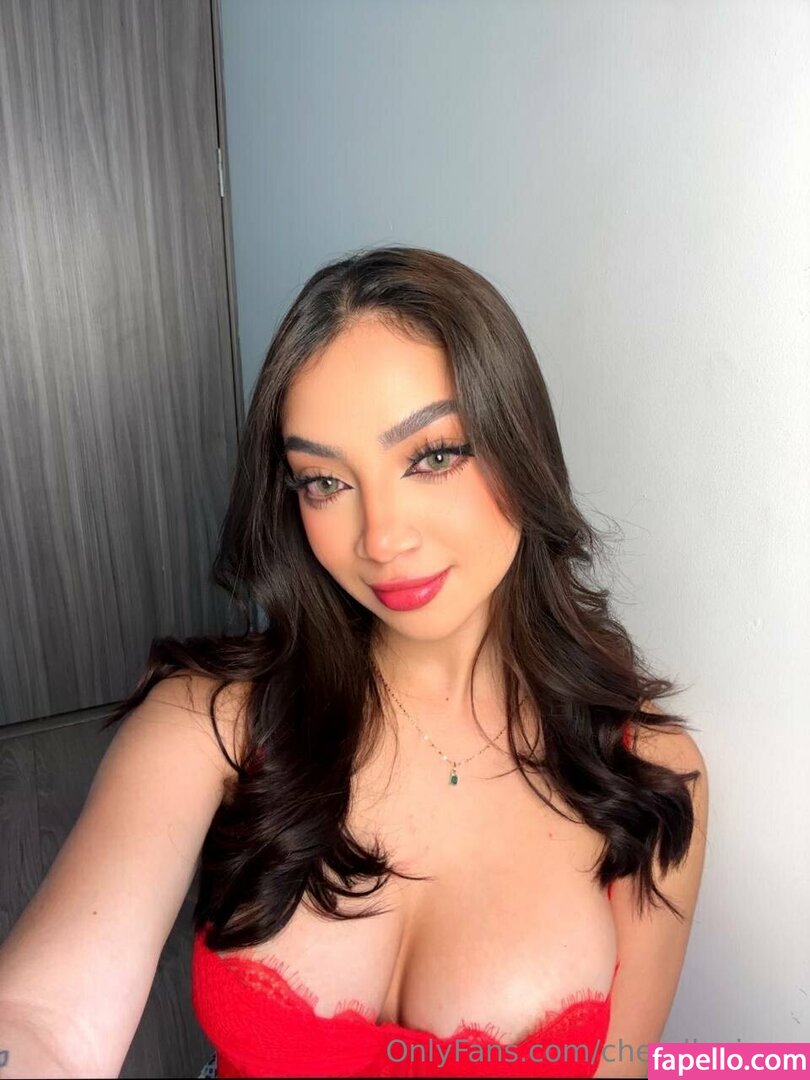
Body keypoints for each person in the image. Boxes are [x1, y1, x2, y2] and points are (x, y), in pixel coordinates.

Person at [0, 246, 708, 1079]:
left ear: (522, 446)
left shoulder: (649, 775)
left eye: (433, 456)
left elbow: (621, 1065)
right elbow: (45, 1020)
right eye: (324, 482)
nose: (381, 538)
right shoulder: (209, 721)